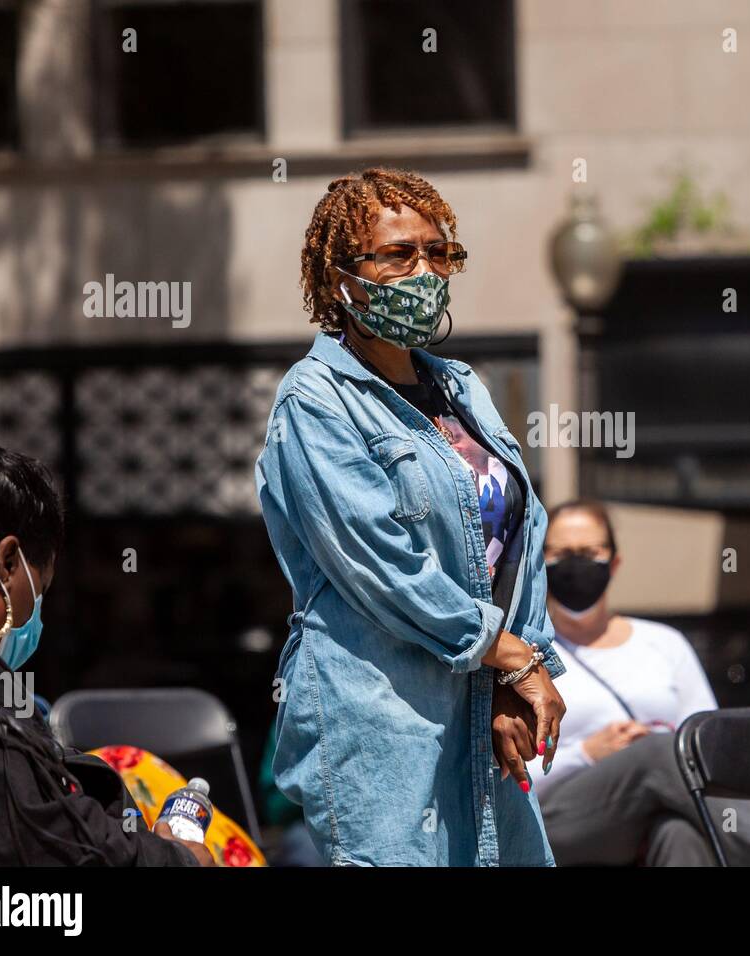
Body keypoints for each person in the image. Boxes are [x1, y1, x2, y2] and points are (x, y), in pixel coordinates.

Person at [255, 166, 567, 866]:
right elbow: (381, 564)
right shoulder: (315, 402)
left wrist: (518, 673)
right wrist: (509, 655)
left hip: (481, 711)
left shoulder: (461, 386)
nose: (423, 269)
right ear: (343, 279)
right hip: (380, 722)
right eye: (397, 255)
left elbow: (524, 533)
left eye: (437, 252)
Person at [0, 440, 211, 866]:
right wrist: (180, 860)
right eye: (38, 591)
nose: (35, 617)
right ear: (8, 563)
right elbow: (48, 841)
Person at [534, 499, 750, 866]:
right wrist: (586, 754)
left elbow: (711, 748)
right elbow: (507, 775)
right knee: (663, 751)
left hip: (656, 811)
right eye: (561, 553)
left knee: (678, 832)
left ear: (614, 563)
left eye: (589, 552)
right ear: (541, 562)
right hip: (559, 820)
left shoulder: (663, 643)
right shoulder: (528, 654)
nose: (576, 564)